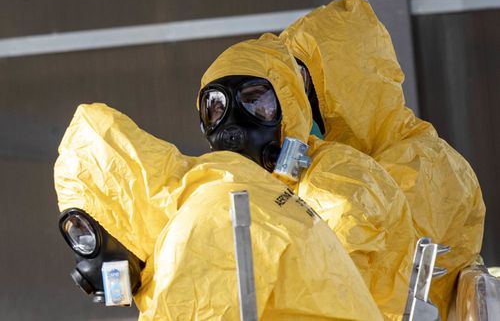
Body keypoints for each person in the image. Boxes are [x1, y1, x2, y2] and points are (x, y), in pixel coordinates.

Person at [55, 103, 384, 320]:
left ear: (119, 205)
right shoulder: (226, 181)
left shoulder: (197, 231)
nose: (88, 255)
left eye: (84, 232)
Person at [280, 0, 486, 318]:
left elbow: (355, 273)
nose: (298, 106)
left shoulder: (417, 166)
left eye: (304, 86)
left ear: (341, 85)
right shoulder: (383, 158)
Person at [198, 34, 416, 320]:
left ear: (288, 103)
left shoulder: (339, 177)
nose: (233, 123)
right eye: (217, 109)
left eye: (253, 101)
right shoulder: (235, 192)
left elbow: (335, 288)